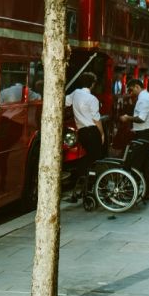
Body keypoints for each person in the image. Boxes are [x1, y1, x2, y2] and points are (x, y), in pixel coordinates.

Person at [64, 71, 104, 202]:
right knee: (96, 159)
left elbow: (65, 102)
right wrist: (102, 133)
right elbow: (96, 119)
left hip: (81, 131)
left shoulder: (75, 93)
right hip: (92, 131)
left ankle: (84, 183)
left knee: (88, 157)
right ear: (92, 84)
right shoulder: (92, 99)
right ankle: (92, 187)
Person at [120, 78, 149, 200]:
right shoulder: (148, 97)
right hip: (148, 133)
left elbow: (141, 118)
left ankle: (130, 192)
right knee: (146, 165)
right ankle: (147, 193)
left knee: (135, 163)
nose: (131, 93)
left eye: (131, 90)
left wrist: (127, 118)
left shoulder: (143, 99)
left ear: (137, 86)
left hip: (144, 134)